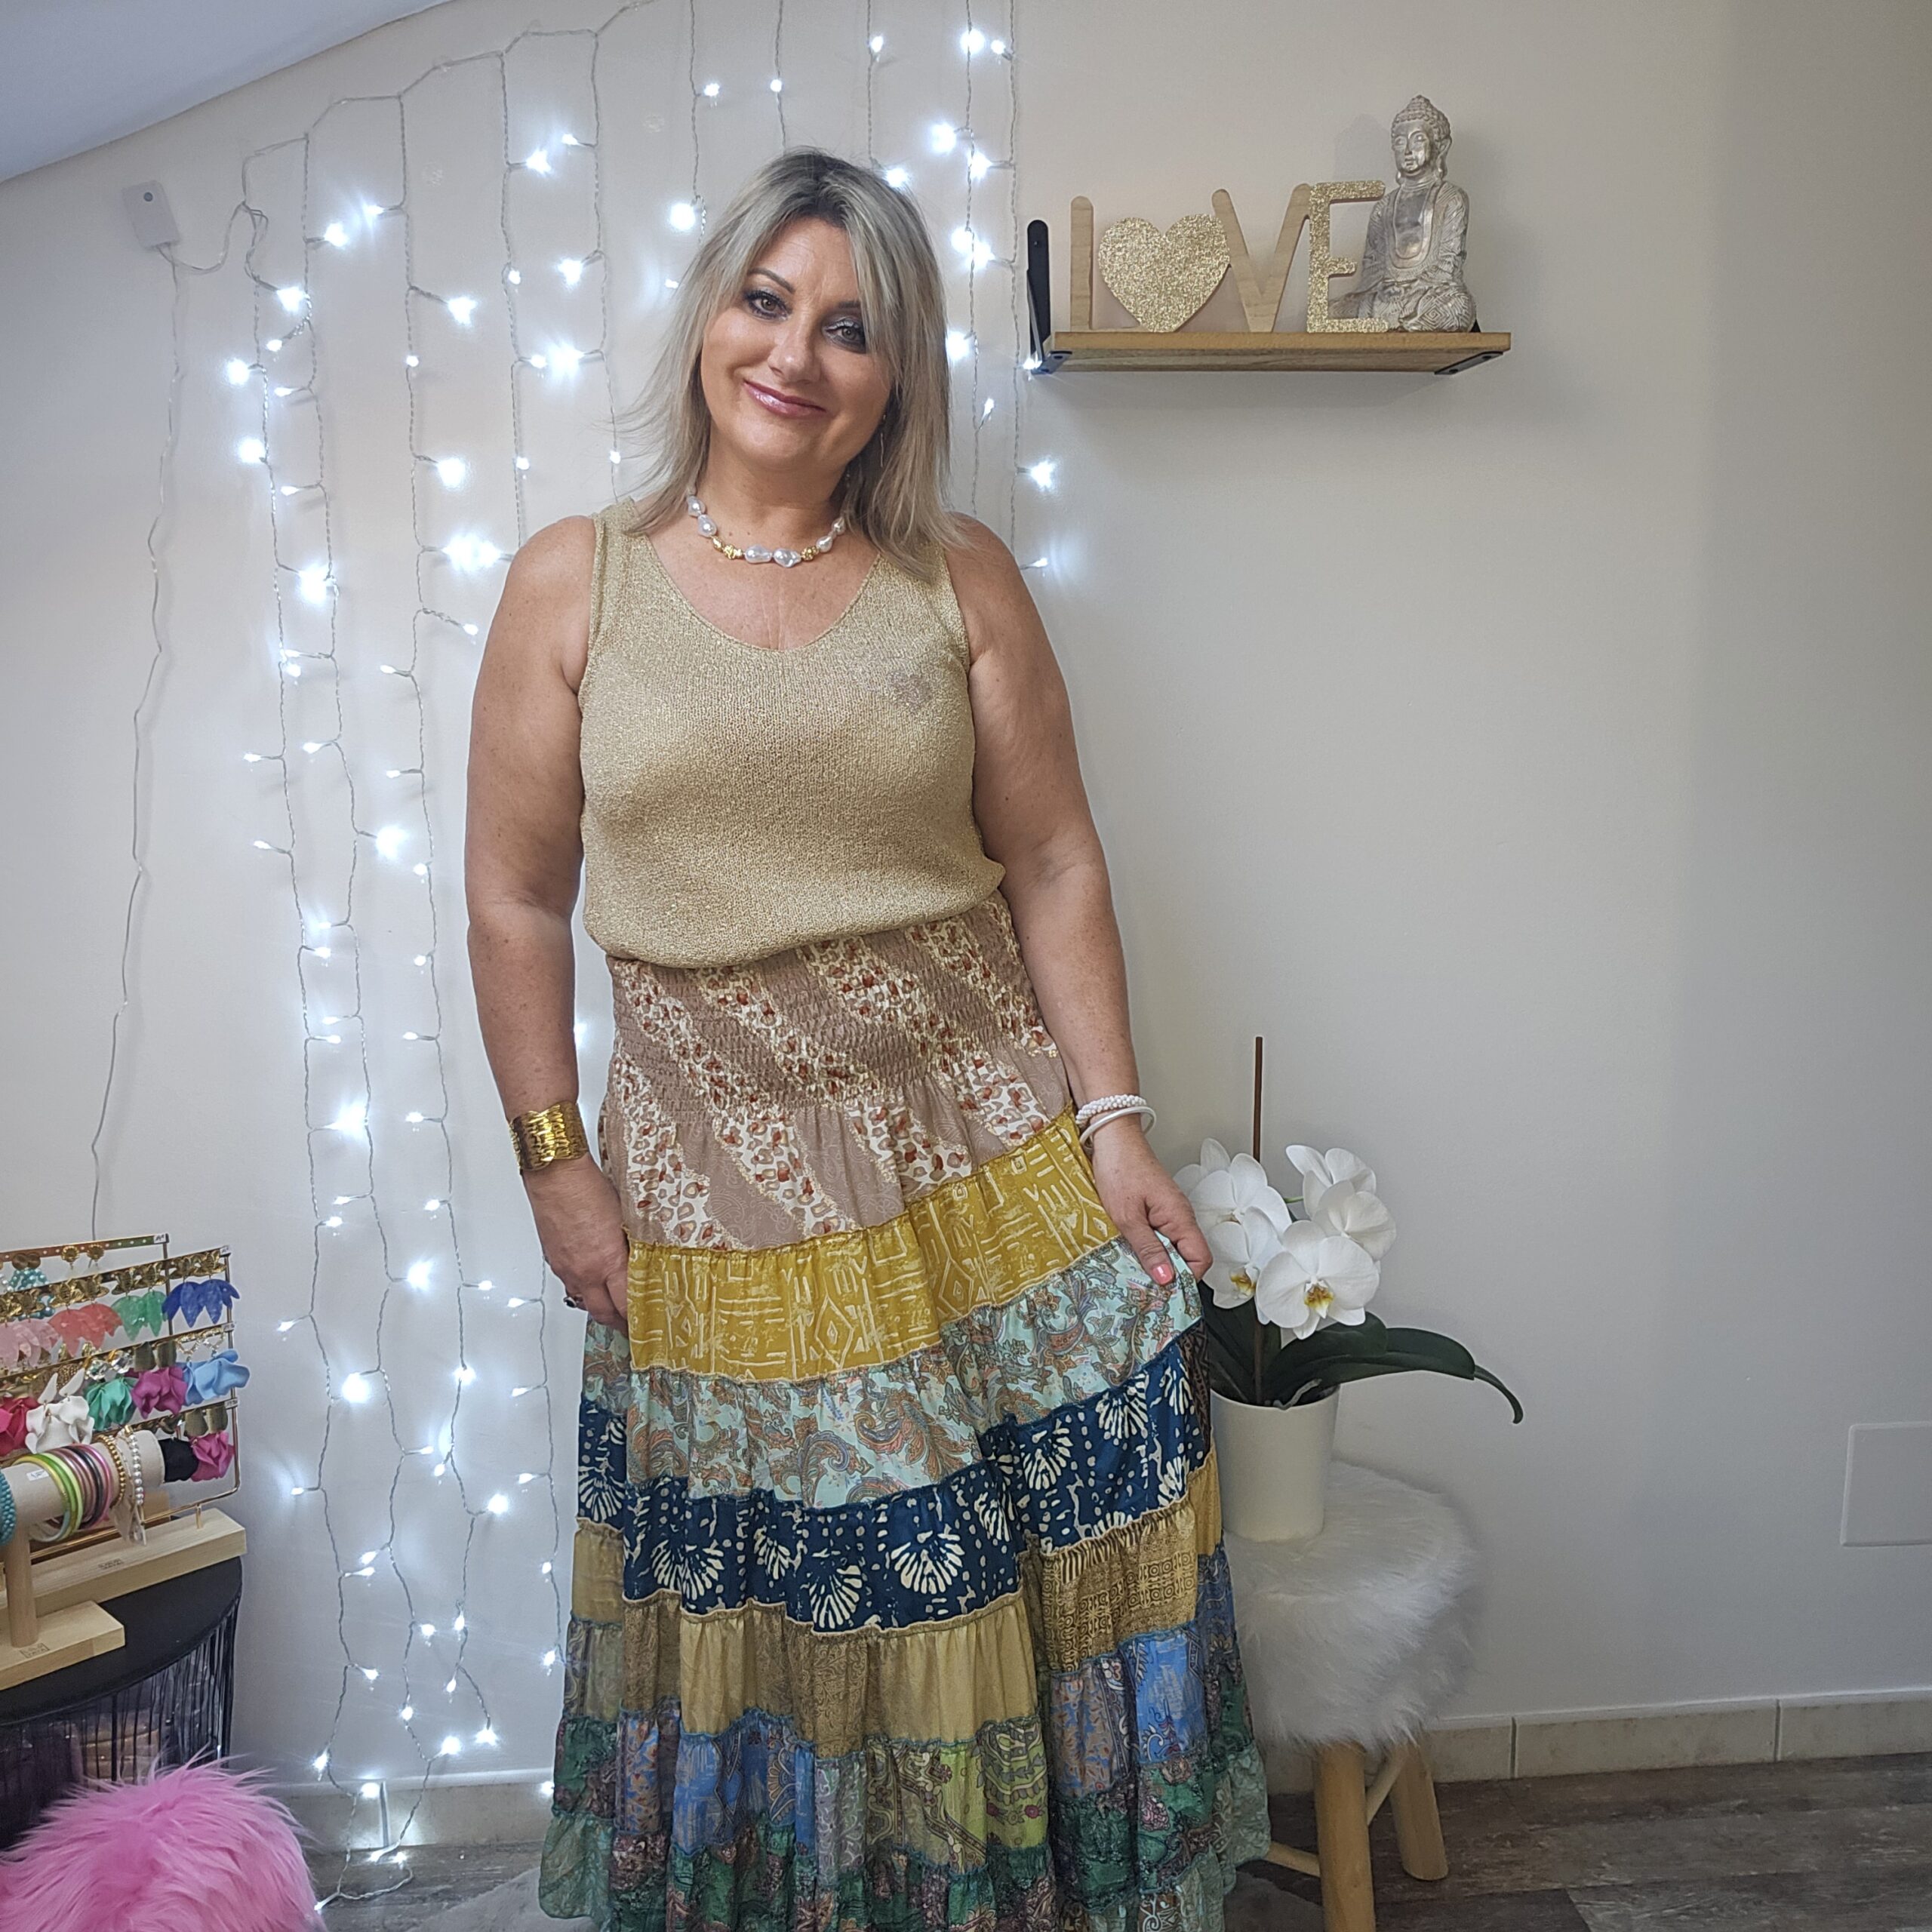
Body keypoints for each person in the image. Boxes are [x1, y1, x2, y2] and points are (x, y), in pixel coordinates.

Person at [464, 144, 1272, 1931]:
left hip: (975, 1154)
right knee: (798, 1603)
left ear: (894, 375)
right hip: (713, 1187)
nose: (793, 354)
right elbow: (514, 898)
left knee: (1008, 1566)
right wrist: (553, 1164)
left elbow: (1052, 858)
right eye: (766, 301)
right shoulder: (572, 585)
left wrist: (1114, 1120)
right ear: (708, 314)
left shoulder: (955, 577)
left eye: (848, 326)